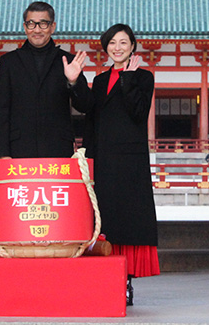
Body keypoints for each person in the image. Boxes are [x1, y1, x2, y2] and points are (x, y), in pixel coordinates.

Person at [82, 24, 160, 306]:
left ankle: (126, 280)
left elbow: (138, 113)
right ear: (106, 47)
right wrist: (87, 156)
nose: (117, 47)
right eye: (112, 42)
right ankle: (106, 277)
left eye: (123, 42)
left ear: (132, 46)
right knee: (106, 219)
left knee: (128, 219)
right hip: (104, 159)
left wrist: (127, 79)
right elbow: (91, 118)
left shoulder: (144, 77)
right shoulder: (100, 80)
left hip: (130, 161)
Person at [0, 1, 92, 158]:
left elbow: (85, 105)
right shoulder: (9, 62)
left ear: (53, 26)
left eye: (43, 24)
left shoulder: (68, 60)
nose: (37, 29)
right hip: (18, 149)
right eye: (31, 24)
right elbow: (0, 111)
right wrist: (2, 153)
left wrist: (73, 82)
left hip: (58, 148)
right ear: (25, 27)